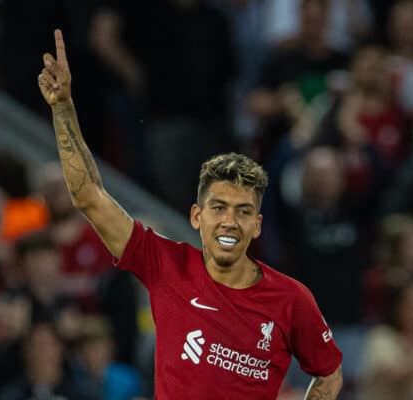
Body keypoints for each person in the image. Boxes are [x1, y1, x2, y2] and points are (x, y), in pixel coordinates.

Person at [38, 29, 343, 399]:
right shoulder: (166, 265)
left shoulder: (292, 299)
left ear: (257, 225)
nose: (230, 221)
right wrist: (63, 108)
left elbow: (328, 374)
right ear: (197, 216)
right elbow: (88, 196)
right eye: (219, 208)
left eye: (243, 211)